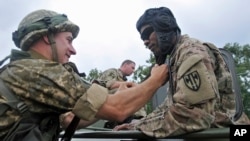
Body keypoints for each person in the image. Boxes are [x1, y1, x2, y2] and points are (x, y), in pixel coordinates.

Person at [0, 9, 168, 140]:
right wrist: (155, 79)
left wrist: (114, 96)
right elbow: (118, 109)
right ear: (47, 37)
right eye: (68, 40)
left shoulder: (21, 69)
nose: (73, 50)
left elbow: (68, 120)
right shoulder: (39, 72)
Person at [113, 7, 250, 138]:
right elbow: (169, 108)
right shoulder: (177, 57)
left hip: (227, 133)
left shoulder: (191, 53)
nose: (145, 41)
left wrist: (140, 127)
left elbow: (193, 116)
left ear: (164, 26)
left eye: (147, 33)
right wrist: (136, 125)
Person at [94, 59, 147, 128]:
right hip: (104, 99)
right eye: (132, 68)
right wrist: (131, 85)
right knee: (130, 93)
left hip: (115, 103)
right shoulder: (112, 72)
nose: (133, 71)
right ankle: (131, 119)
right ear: (125, 65)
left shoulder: (123, 80)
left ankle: (139, 119)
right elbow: (109, 84)